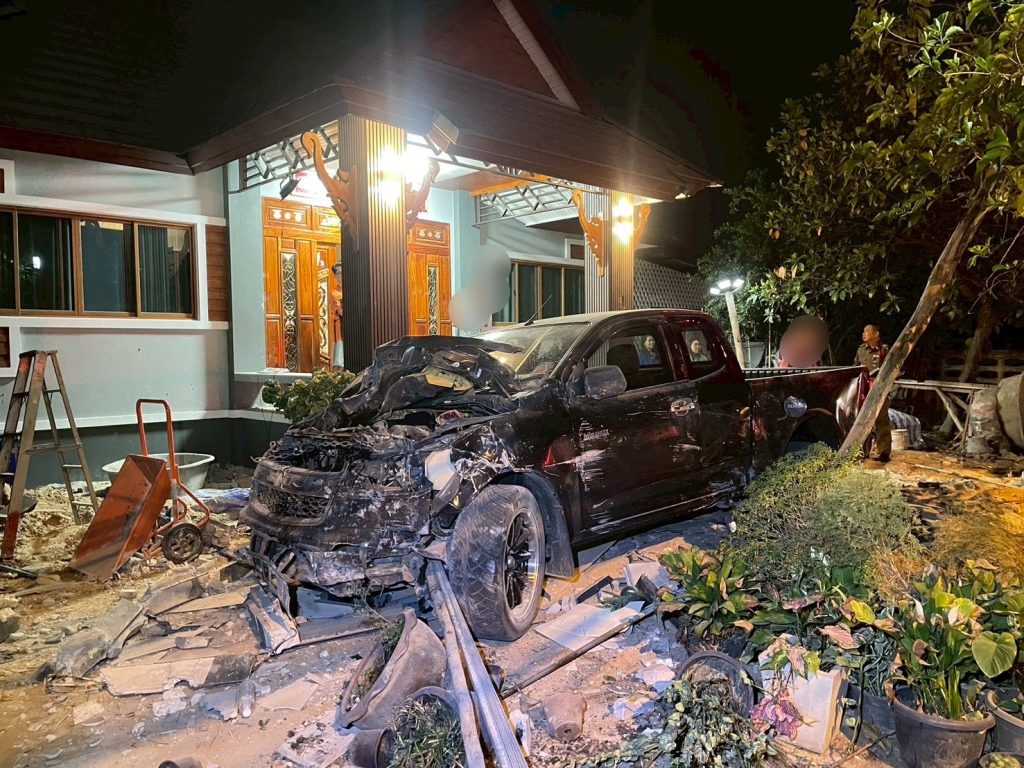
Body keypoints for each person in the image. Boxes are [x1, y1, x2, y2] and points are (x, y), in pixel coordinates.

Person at [855, 323, 891, 462]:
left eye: (867, 331)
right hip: (863, 389)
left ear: (876, 334)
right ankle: (863, 451)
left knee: (882, 420)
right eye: (863, 331)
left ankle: (884, 452)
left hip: (879, 389)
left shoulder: (883, 350)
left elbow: (890, 369)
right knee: (862, 420)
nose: (864, 334)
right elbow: (855, 367)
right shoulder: (861, 350)